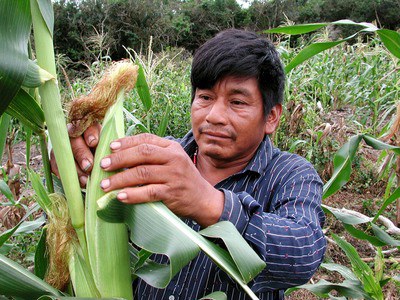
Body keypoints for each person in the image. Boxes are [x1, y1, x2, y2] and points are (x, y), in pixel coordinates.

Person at [54, 29, 326, 299]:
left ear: (271, 117)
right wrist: (71, 166)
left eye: (237, 102)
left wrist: (208, 203)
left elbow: (304, 251)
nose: (215, 116)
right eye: (205, 98)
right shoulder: (155, 160)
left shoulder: (290, 174)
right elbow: (88, 221)